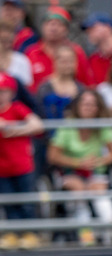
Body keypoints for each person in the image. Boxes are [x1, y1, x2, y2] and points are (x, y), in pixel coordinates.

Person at [0, 72, 43, 248]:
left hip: (22, 166)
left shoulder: (17, 108)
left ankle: (29, 234)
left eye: (2, 91)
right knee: (8, 203)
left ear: (11, 92)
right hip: (1, 168)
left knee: (26, 202)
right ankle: (13, 234)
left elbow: (37, 124)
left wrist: (14, 129)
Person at [47, 89, 112, 241]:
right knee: (78, 189)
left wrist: (98, 161)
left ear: (97, 108)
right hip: (71, 172)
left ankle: (107, 234)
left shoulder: (100, 125)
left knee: (99, 193)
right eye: (84, 103)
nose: (88, 107)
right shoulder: (68, 126)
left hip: (95, 173)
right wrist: (78, 163)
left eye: (92, 104)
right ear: (77, 106)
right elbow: (52, 156)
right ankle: (85, 235)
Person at [25, 7, 92, 93]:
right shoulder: (31, 53)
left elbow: (88, 84)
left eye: (59, 24)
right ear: (43, 27)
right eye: (50, 23)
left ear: (66, 30)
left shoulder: (76, 52)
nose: (53, 28)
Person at [83, 13, 112, 89]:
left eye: (93, 28)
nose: (88, 32)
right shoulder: (93, 59)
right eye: (87, 30)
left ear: (107, 27)